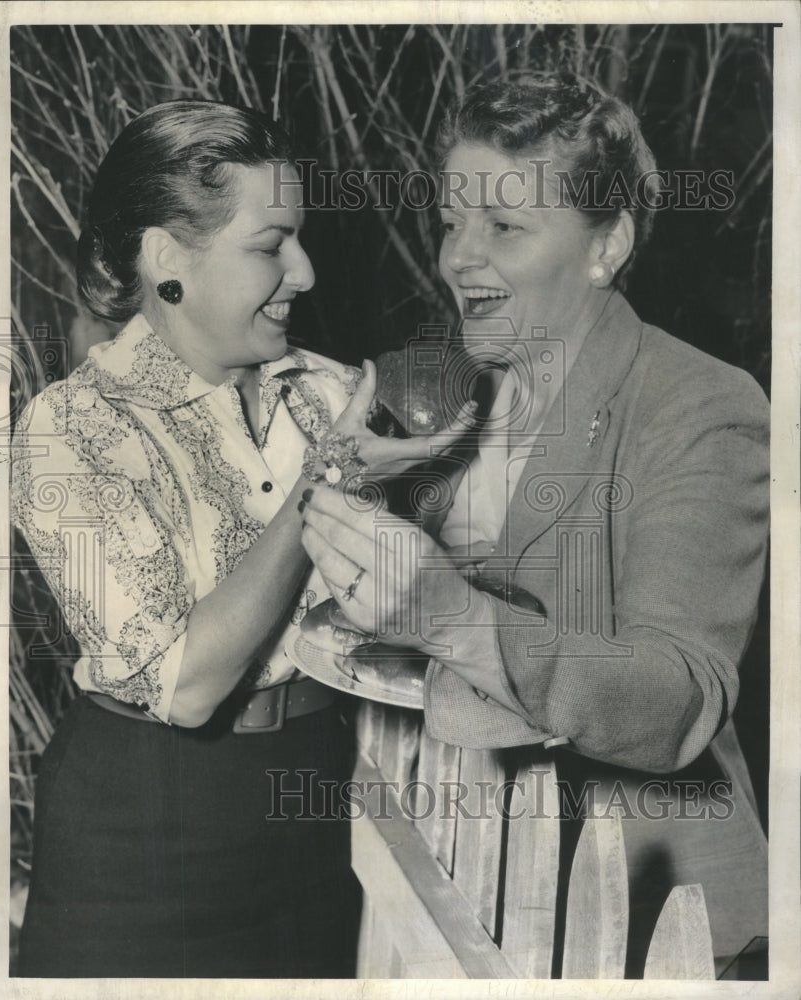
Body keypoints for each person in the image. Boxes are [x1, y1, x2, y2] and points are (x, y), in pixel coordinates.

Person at [299, 76, 769, 975]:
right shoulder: (436, 385)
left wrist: (449, 617)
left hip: (641, 918)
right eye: (450, 222)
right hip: (448, 888)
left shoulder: (701, 405)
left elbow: (676, 697)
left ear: (607, 245)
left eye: (505, 229)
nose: (459, 260)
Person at [11, 100, 473, 978]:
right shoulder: (70, 430)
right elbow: (187, 687)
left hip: (311, 803)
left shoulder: (327, 392)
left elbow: (408, 610)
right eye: (269, 245)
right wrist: (330, 473)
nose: (303, 270)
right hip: (144, 830)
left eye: (298, 239)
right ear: (165, 260)